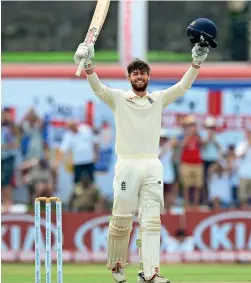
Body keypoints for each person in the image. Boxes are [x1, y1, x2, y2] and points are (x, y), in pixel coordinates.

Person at [73, 29, 211, 283]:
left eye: (143, 73)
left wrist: (196, 62)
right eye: (135, 73)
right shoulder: (119, 98)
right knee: (122, 218)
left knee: (151, 221)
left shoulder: (157, 100)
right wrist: (89, 65)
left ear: (148, 76)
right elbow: (98, 90)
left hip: (152, 165)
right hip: (127, 163)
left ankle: (150, 274)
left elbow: (183, 86)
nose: (139, 77)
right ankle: (116, 264)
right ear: (129, 77)